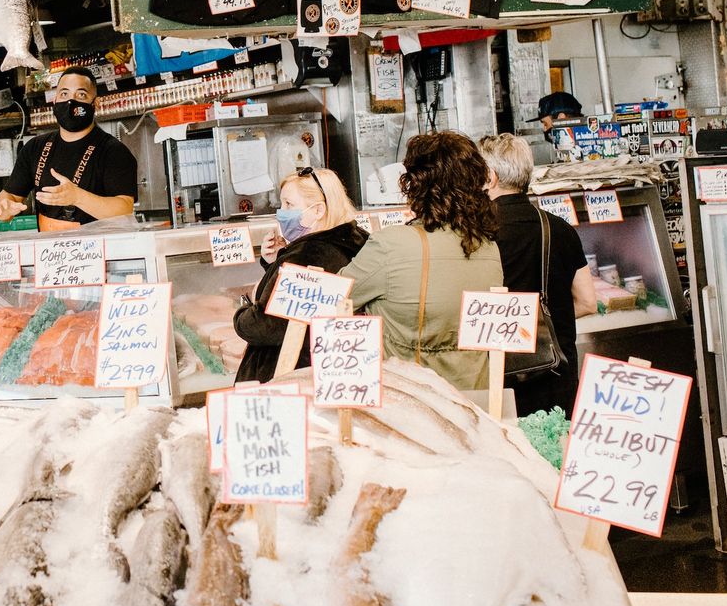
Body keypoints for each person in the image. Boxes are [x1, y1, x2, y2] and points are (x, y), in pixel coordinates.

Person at [341, 131, 503, 391]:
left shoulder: (390, 245)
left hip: (414, 402)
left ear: (415, 184)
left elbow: (332, 298)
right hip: (477, 399)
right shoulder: (488, 246)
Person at [478, 134, 598, 414]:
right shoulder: (560, 228)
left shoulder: (474, 233)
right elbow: (587, 302)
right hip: (556, 376)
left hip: (500, 383)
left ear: (490, 177)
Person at [232, 167, 368, 383]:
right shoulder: (353, 240)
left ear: (317, 211)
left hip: (292, 377)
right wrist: (275, 263)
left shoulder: (309, 255)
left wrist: (242, 313)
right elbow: (300, 309)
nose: (281, 211)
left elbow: (267, 326)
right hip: (325, 370)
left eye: (289, 204)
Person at [0, 67, 139, 231]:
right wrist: (4, 206)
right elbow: (11, 194)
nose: (70, 102)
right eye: (64, 94)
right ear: (54, 102)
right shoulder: (35, 148)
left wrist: (77, 197)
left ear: (95, 103)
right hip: (50, 250)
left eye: (81, 95)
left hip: (99, 248)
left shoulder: (113, 151)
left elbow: (124, 208)